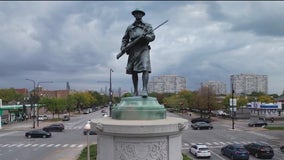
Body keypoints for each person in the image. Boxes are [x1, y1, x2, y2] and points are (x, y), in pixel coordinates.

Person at [120, 9, 155, 97]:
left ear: (142, 15)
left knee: (145, 67)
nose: (138, 15)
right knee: (134, 70)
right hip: (133, 49)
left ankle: (144, 90)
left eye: (140, 14)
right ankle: (135, 90)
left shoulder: (147, 26)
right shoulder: (130, 27)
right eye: (136, 14)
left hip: (144, 48)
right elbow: (125, 39)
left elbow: (152, 36)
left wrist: (145, 37)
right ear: (134, 15)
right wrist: (123, 47)